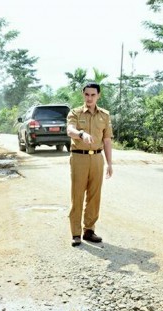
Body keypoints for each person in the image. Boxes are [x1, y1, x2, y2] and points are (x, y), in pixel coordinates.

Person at [66, 82, 114, 247]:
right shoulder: (75, 113)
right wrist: (81, 134)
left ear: (98, 96)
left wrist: (109, 163)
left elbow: (107, 140)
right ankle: (76, 233)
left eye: (93, 95)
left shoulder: (104, 115)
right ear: (83, 95)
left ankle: (89, 230)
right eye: (87, 94)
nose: (89, 98)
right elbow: (70, 130)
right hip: (79, 157)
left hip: (97, 159)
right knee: (77, 195)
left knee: (94, 196)